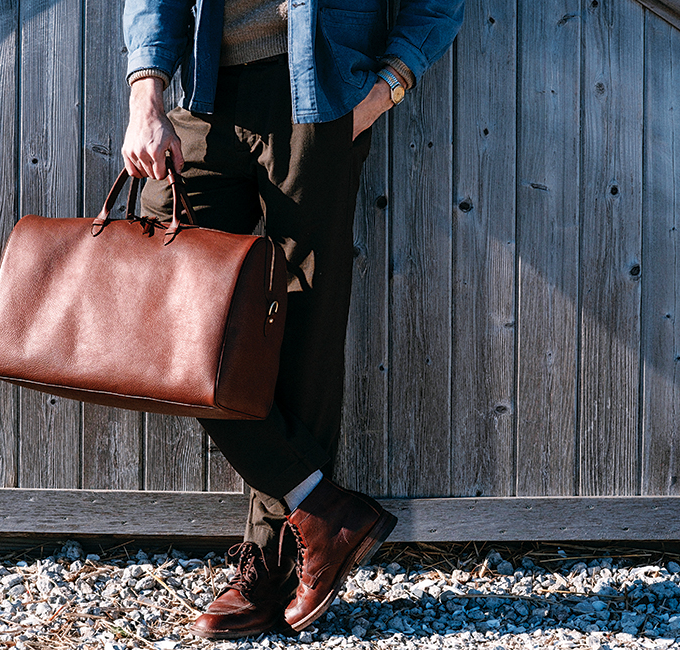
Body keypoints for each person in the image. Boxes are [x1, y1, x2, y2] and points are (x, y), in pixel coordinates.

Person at [121, 0, 464, 639]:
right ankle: (321, 506)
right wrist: (147, 97)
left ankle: (273, 564)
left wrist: (384, 89)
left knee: (304, 327)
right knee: (164, 321)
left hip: (320, 101)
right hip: (202, 97)